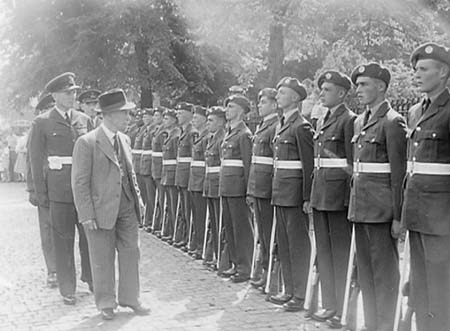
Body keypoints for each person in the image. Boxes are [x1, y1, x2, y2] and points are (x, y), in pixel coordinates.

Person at [72, 88, 150, 320]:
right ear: (109, 114)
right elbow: (79, 182)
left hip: (126, 207)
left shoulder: (124, 139)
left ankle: (131, 298)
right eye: (124, 114)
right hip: (100, 209)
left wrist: (139, 202)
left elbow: (130, 173)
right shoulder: (87, 142)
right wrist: (86, 214)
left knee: (131, 253)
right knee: (102, 257)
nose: (128, 118)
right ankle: (106, 303)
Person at [348, 63, 407, 331]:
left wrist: (398, 216)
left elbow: (398, 175)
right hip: (360, 207)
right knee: (366, 273)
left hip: (382, 210)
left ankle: (386, 325)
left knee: (384, 274)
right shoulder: (360, 121)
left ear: (381, 86)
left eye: (364, 84)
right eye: (357, 85)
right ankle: (372, 323)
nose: (358, 90)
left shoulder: (393, 122)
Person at [28, 72, 93, 305]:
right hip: (59, 191)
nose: (72, 95)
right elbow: (36, 161)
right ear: (54, 96)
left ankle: (92, 277)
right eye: (67, 92)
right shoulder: (42, 122)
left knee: (89, 236)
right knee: (63, 240)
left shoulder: (85, 120)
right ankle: (67, 288)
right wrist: (39, 193)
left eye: (74, 91)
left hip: (84, 190)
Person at [402, 42, 450, 331]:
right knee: (419, 282)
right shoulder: (414, 112)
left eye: (424, 69)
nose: (416, 75)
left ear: (443, 73)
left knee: (440, 282)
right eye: (415, 69)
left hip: (442, 216)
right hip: (418, 210)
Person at [309, 71, 356, 327]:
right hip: (321, 195)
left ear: (341, 93)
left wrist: (349, 199)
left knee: (340, 255)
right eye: (322, 89)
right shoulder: (322, 120)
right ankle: (329, 303)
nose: (322, 93)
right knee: (325, 254)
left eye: (327, 90)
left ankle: (341, 307)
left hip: (338, 198)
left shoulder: (349, 120)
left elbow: (351, 166)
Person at [269, 77, 313, 312]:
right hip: (280, 191)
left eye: (282, 93)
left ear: (295, 98)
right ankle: (289, 289)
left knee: (297, 245)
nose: (278, 97)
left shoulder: (301, 126)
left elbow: (308, 165)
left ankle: (300, 293)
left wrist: (307, 197)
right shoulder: (281, 124)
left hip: (295, 194)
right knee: (284, 243)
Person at [246, 88, 279, 290]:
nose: (260, 105)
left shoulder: (275, 126)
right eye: (259, 102)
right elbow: (254, 163)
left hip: (268, 188)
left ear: (274, 105)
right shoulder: (262, 126)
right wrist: (251, 189)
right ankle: (264, 270)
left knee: (269, 233)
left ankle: (271, 274)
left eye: (264, 102)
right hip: (258, 187)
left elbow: (276, 162)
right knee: (263, 235)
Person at [219, 94, 254, 283]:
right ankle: (234, 263)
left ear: (240, 111)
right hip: (227, 187)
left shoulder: (244, 135)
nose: (227, 110)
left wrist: (249, 191)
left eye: (231, 107)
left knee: (242, 229)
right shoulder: (229, 133)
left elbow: (248, 166)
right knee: (230, 228)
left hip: (239, 188)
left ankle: (244, 267)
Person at [26, 93, 57, 288]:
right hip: (44, 185)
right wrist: (32, 189)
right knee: (47, 229)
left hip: (63, 184)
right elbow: (32, 160)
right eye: (47, 109)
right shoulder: (38, 126)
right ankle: (52, 269)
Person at [203, 106, 227, 269]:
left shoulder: (222, 139)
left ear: (220, 121)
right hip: (210, 184)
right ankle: (215, 256)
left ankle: (221, 258)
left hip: (218, 184)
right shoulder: (213, 138)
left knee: (220, 223)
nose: (208, 124)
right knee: (213, 221)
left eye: (211, 120)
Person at [187, 105, 209, 259]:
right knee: (196, 215)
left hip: (203, 181)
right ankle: (198, 244)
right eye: (193, 116)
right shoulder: (197, 136)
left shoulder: (207, 137)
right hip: (194, 180)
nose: (193, 119)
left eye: (197, 117)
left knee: (202, 216)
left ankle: (203, 247)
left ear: (205, 119)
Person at [173, 102, 196, 249]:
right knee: (183, 209)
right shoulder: (182, 132)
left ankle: (190, 239)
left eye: (181, 113)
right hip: (181, 175)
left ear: (189, 115)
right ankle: (185, 236)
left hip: (189, 175)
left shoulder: (192, 133)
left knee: (189, 210)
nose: (178, 115)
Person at [160, 109, 181, 244]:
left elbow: (177, 159)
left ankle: (176, 233)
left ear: (174, 120)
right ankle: (172, 232)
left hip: (174, 175)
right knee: (170, 205)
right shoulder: (169, 135)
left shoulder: (176, 136)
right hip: (167, 174)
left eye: (167, 119)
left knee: (175, 206)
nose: (164, 121)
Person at [140, 108, 160, 232]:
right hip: (144, 166)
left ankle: (152, 221)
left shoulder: (156, 131)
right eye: (144, 117)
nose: (144, 119)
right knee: (146, 196)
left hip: (153, 167)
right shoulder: (145, 130)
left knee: (152, 197)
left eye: (148, 116)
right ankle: (147, 219)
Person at [150, 107, 168, 235]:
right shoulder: (158, 130)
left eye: (158, 116)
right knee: (158, 198)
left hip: (163, 169)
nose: (154, 118)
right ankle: (158, 224)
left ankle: (162, 225)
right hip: (155, 168)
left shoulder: (164, 133)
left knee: (163, 199)